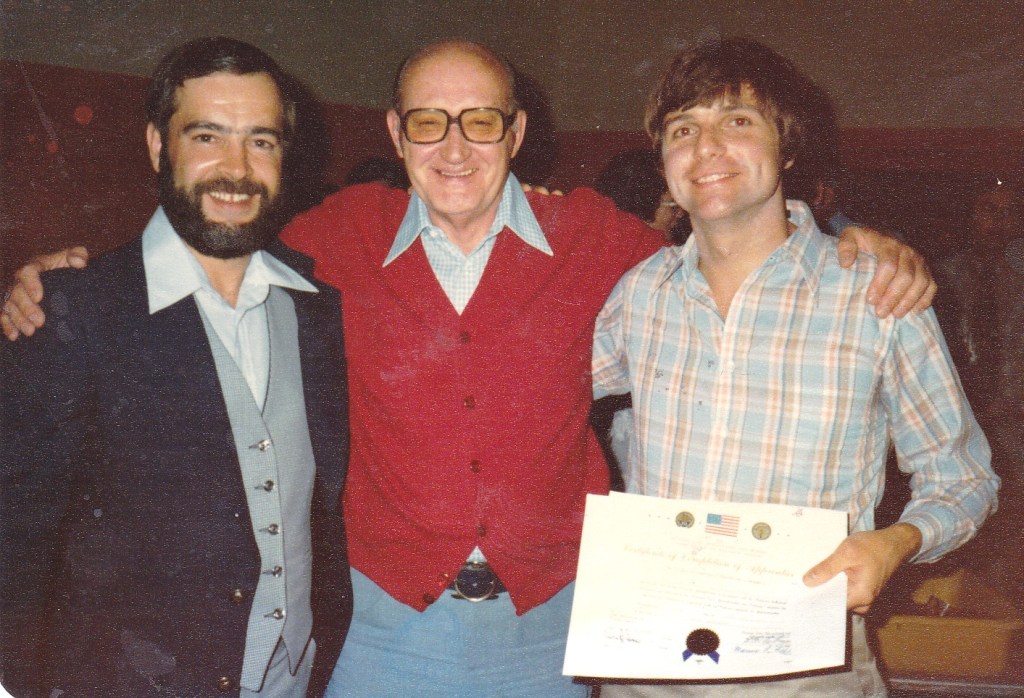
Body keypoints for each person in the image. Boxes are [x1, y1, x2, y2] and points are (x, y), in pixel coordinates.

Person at [2, 39, 936, 698]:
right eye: (429, 123)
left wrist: (854, 240)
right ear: (396, 133)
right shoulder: (333, 238)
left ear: (516, 132)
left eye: (480, 121)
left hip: (551, 633)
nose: (454, 148)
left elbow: (727, 249)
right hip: (381, 636)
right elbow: (218, 233)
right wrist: (68, 271)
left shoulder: (599, 241)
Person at [592, 37, 998, 697]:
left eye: (738, 121)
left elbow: (965, 479)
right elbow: (534, 393)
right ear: (663, 159)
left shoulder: (874, 294)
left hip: (806, 672)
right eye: (683, 129)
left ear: (786, 148)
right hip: (647, 667)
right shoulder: (640, 294)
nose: (707, 147)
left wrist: (896, 543)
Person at [0, 37, 350, 697]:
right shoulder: (72, 308)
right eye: (207, 137)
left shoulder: (318, 307)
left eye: (261, 141)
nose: (237, 169)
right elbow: (13, 528)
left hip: (295, 679)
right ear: (159, 145)